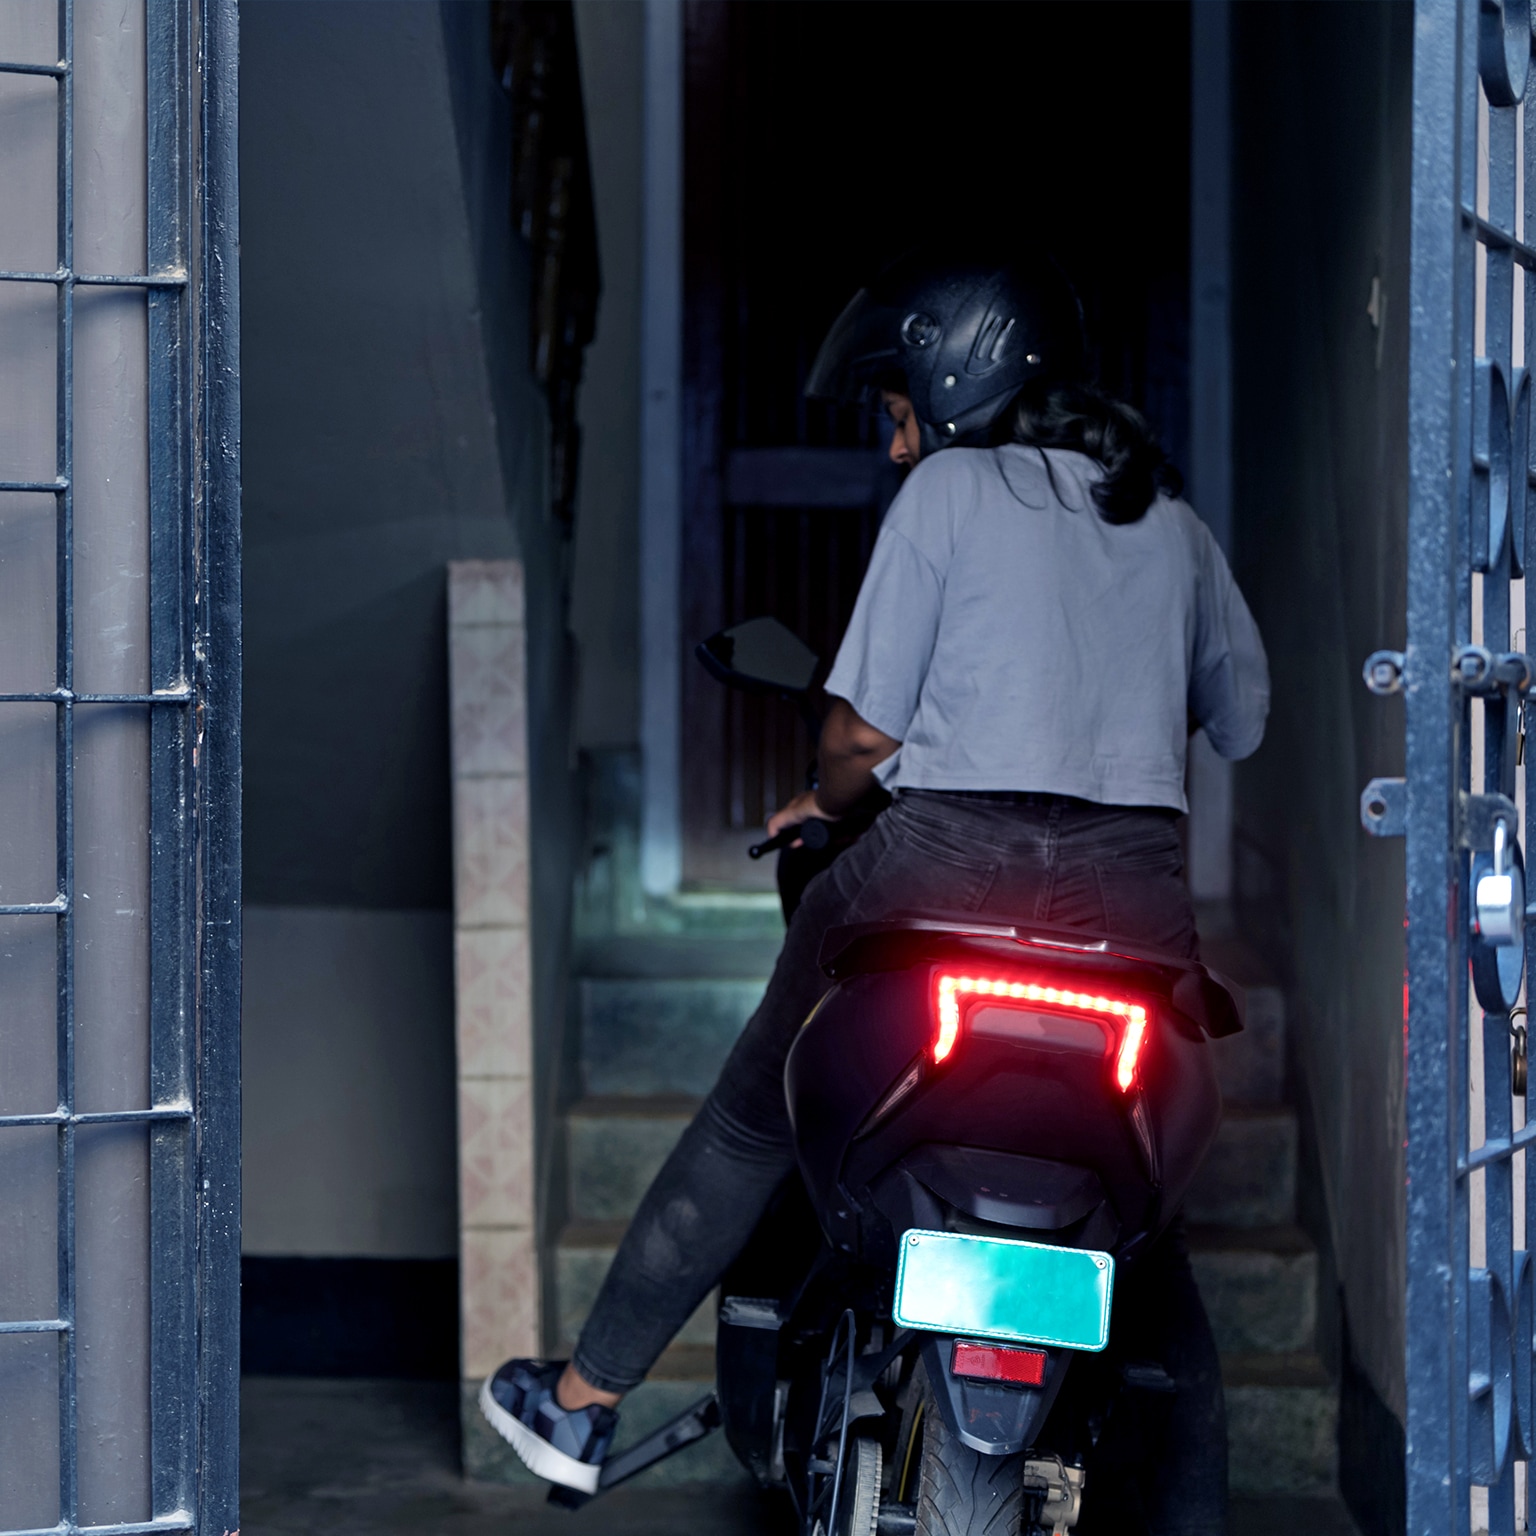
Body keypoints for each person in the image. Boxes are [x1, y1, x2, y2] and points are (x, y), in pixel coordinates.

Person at [478, 250, 1269, 1530]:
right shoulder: (1172, 523)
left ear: (957, 392)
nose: (895, 447)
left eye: (898, 411)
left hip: (933, 875)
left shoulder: (949, 495)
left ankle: (581, 1399)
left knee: (749, 1120)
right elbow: (1243, 719)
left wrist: (821, 806)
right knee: (1150, 1221)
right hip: (1133, 920)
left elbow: (860, 735)